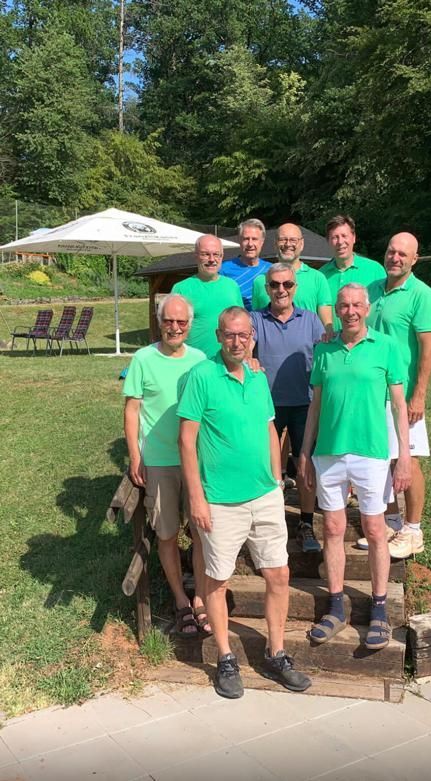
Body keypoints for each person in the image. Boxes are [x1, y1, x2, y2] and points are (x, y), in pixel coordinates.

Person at [178, 306, 312, 699]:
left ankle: (276, 653)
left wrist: (276, 479)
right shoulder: (202, 376)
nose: (237, 342)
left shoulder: (257, 376)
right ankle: (225, 657)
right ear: (218, 336)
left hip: (264, 495)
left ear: (252, 337)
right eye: (229, 335)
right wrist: (196, 497)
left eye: (243, 335)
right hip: (220, 500)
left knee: (279, 574)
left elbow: (270, 427)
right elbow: (186, 440)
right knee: (218, 580)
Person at [298, 284, 411, 650]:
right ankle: (335, 607)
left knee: (375, 529)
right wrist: (305, 452)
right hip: (329, 452)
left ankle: (379, 609)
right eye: (344, 305)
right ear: (337, 309)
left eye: (356, 305)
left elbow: (399, 406)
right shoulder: (324, 350)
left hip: (371, 453)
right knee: (333, 528)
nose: (350, 311)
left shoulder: (386, 347)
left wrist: (404, 456)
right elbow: (315, 406)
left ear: (367, 308)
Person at [123, 294, 210, 637]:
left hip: (196, 461)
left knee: (201, 534)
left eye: (181, 322)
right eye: (168, 321)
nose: (175, 327)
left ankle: (201, 597)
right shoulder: (143, 358)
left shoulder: (200, 360)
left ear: (190, 325)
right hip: (159, 461)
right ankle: (180, 600)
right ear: (159, 322)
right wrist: (135, 455)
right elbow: (132, 410)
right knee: (167, 533)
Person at [360, 232, 431, 560]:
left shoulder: (422, 296)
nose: (395, 258)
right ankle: (392, 522)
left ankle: (413, 530)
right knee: (383, 459)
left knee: (409, 459)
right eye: (391, 251)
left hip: (403, 394)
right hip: (372, 394)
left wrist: (419, 395)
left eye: (402, 254)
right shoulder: (372, 290)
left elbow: (428, 351)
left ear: (414, 259)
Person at [250, 263, 325, 553]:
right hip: (266, 406)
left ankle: (306, 523)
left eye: (287, 284)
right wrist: (248, 358)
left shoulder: (311, 320)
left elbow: (324, 357)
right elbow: (243, 346)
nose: (281, 290)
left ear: (295, 288)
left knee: (305, 465)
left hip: (304, 404)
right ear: (266, 288)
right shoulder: (256, 319)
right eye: (274, 285)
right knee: (265, 465)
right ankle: (266, 522)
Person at [251, 223, 333, 332]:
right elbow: (255, 324)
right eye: (283, 239)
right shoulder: (260, 281)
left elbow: (326, 326)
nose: (288, 244)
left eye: (293, 240)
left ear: (302, 244)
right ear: (275, 244)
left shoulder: (318, 278)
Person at [171, 234, 242, 358]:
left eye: (216, 254)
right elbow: (171, 329)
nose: (211, 259)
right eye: (205, 254)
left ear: (222, 256)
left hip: (228, 361)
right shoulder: (181, 289)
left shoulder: (232, 286)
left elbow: (243, 325)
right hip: (193, 362)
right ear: (196, 256)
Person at [320, 215, 386, 331]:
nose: (340, 242)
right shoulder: (321, 276)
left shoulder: (375, 270)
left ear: (354, 237)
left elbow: (386, 309)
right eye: (335, 237)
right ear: (328, 241)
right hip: (332, 341)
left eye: (344, 236)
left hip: (367, 340)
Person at [220, 218, 272, 311]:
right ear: (239, 241)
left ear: (262, 242)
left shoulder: (271, 270)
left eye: (254, 239)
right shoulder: (224, 269)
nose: (250, 244)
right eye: (246, 239)